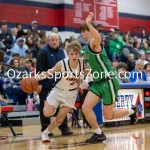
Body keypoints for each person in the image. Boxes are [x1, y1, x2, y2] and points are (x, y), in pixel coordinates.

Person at [80, 12, 138, 143]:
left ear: (90, 31)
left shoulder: (95, 43)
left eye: (85, 31)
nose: (82, 34)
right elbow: (90, 68)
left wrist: (89, 23)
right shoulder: (86, 49)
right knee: (85, 107)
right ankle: (98, 133)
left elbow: (98, 38)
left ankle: (132, 110)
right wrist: (85, 80)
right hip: (97, 83)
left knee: (108, 115)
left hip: (108, 82)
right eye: (82, 32)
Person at [36, 41, 84, 142]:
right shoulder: (62, 63)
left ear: (79, 53)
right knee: (47, 113)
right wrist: (36, 78)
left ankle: (45, 133)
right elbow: (48, 73)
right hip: (58, 91)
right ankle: (49, 104)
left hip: (71, 94)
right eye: (71, 54)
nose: (74, 56)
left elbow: (83, 74)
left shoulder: (83, 63)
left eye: (76, 54)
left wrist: (80, 83)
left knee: (60, 119)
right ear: (67, 53)